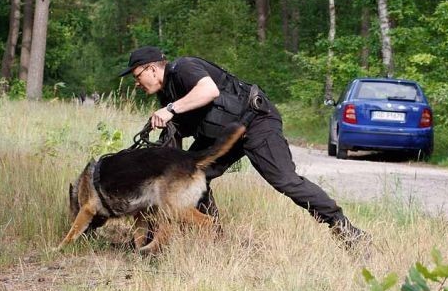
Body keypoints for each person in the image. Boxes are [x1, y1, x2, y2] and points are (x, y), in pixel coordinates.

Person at [118, 46, 369, 249]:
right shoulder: (167, 95)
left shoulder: (184, 68)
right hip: (227, 134)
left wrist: (171, 110)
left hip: (256, 121)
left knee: (285, 180)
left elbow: (209, 90)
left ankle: (346, 230)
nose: (137, 84)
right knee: (193, 175)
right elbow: (175, 146)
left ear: (151, 68)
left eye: (137, 76)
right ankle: (214, 238)